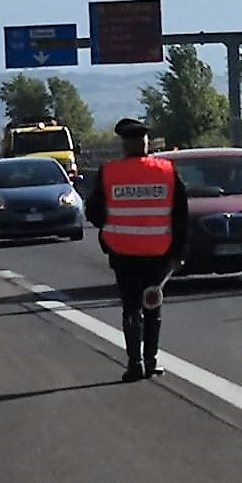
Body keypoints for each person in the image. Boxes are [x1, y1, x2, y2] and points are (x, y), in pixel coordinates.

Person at [85, 118, 189, 382]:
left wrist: (116, 222)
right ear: (147, 143)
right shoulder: (167, 170)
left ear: (125, 145)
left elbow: (94, 213)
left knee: (131, 308)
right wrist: (178, 253)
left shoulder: (110, 172)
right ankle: (152, 360)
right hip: (159, 252)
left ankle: (135, 363)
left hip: (124, 252)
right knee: (153, 306)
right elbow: (181, 215)